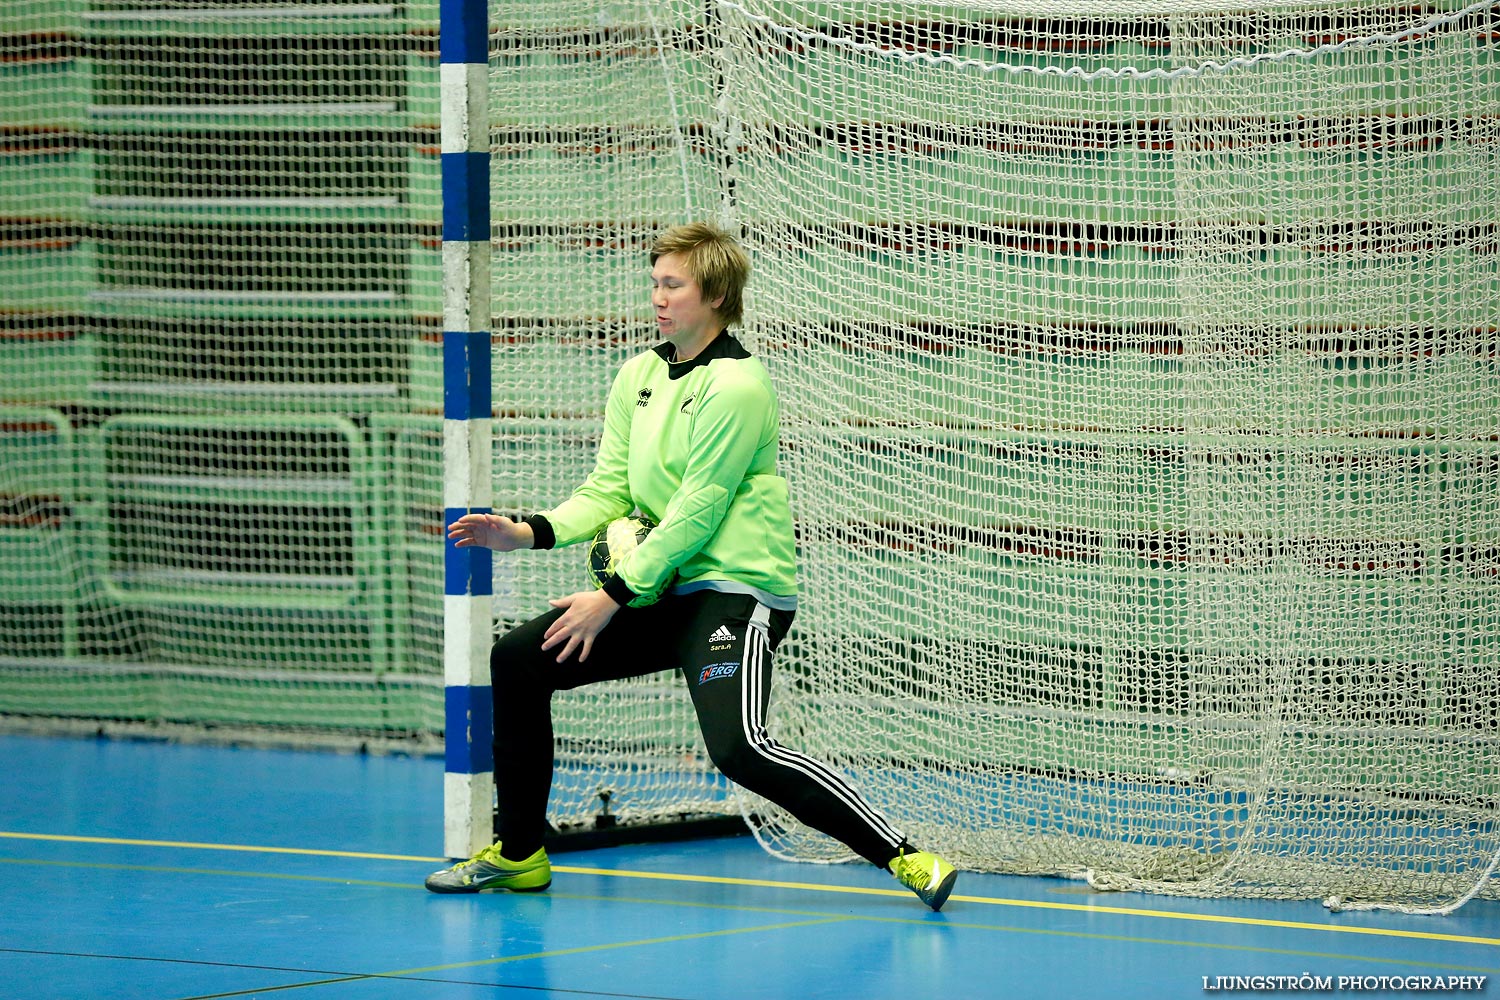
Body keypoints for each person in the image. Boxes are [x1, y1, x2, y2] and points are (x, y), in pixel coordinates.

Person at [426, 222, 958, 911]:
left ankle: (906, 857)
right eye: (654, 283)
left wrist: (611, 595)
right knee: (519, 660)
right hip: (661, 589)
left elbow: (696, 511)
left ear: (713, 294)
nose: (657, 296)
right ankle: (520, 856)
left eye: (671, 284)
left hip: (735, 595)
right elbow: (610, 488)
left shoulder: (738, 386)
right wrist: (528, 532)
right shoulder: (640, 375)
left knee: (740, 750)